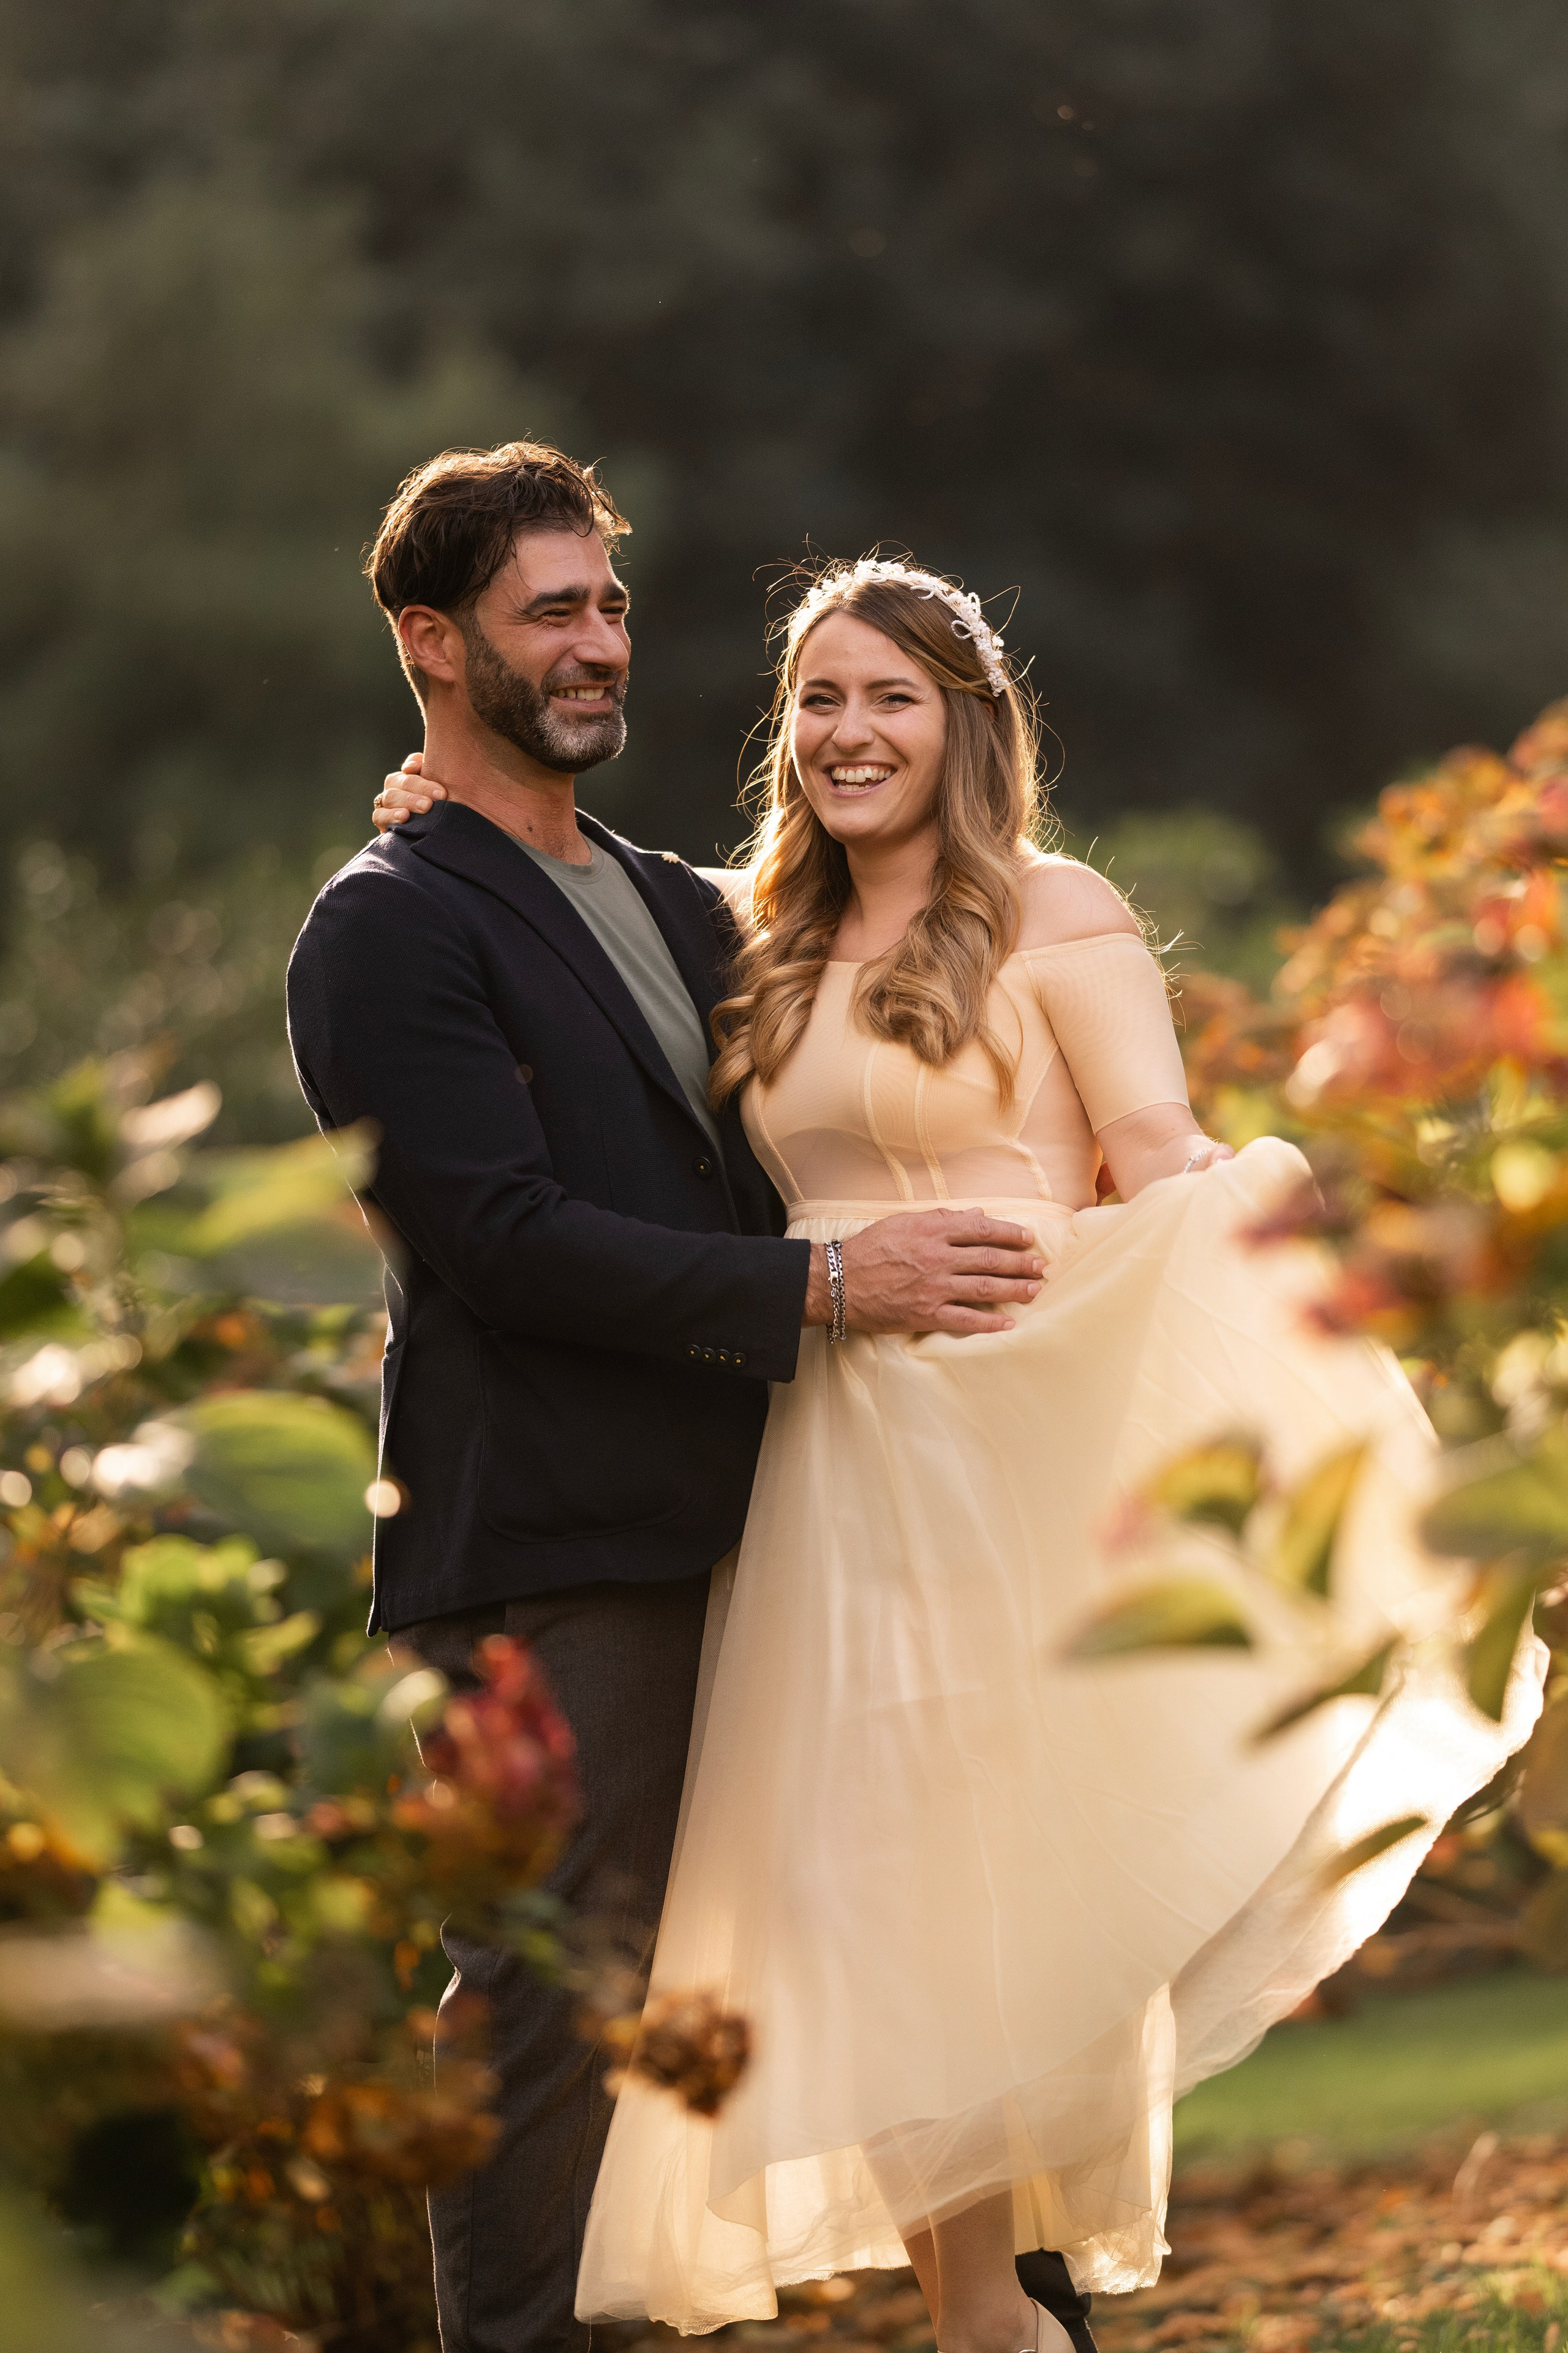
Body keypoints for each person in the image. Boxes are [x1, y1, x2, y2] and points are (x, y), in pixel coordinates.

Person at [377, 552, 1543, 2353]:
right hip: (826, 1468)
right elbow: (576, 897)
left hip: (1010, 1438)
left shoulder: (1055, 913)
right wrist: (448, 812)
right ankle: (994, 2316)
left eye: (893, 698)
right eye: (819, 700)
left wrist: (1277, 1244)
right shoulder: (754, 933)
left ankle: (1002, 2316)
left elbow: (1156, 1150)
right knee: (871, 1905)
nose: (851, 733)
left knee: (991, 1881)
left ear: (969, 721)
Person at [287, 442, 1065, 2353]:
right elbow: (500, 1237)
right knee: (562, 2003)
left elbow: (878, 972)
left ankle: (1022, 2322)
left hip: (783, 1517)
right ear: (432, 641)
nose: (601, 642)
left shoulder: (682, 902)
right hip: (560, 1558)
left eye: (612, 605)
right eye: (551, 609)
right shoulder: (387, 922)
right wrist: (827, 1286)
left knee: (929, 1935)